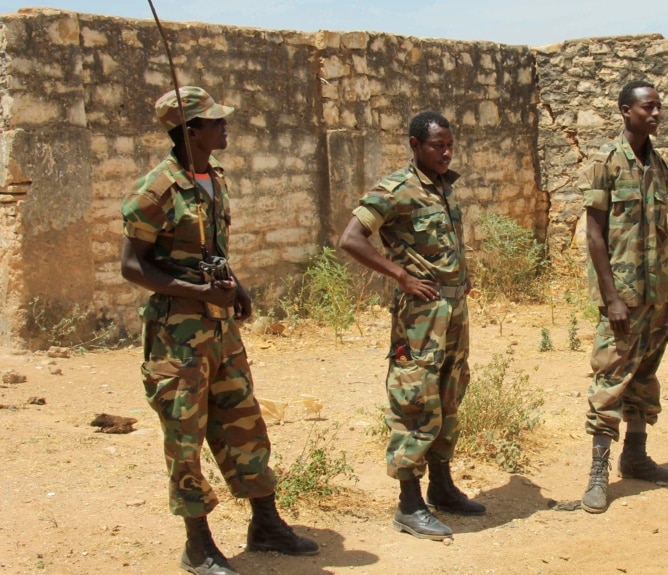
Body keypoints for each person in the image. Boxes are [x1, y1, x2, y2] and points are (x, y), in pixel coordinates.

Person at [121, 86, 318, 575]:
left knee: (242, 421)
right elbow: (131, 266)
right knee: (184, 436)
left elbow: (213, 251)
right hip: (178, 336)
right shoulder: (157, 191)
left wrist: (237, 287)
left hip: (222, 330)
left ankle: (266, 523)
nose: (224, 126)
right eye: (214, 121)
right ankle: (197, 543)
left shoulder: (214, 180)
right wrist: (199, 293)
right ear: (190, 131)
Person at [339, 111, 483, 541]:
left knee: (449, 394)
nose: (445, 152)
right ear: (415, 145)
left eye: (449, 145)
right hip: (420, 317)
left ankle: (442, 487)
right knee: (415, 399)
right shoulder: (396, 189)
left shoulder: (444, 186)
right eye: (437, 145)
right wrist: (400, 275)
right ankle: (409, 503)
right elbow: (351, 238)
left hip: (453, 313)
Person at [577, 80, 668, 514]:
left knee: (644, 377)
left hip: (657, 295)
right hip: (623, 297)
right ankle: (598, 474)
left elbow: (664, 234)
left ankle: (636, 455)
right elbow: (594, 233)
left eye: (659, 106)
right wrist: (612, 298)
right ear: (626, 111)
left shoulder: (658, 165)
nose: (656, 114)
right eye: (648, 107)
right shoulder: (605, 163)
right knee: (610, 380)